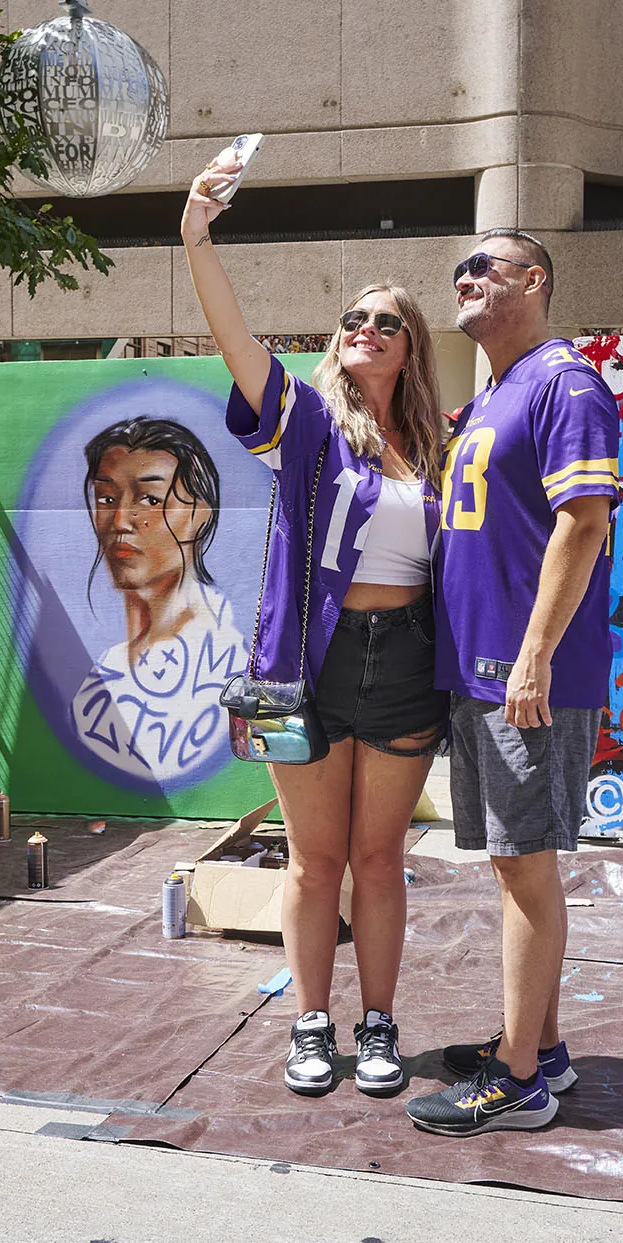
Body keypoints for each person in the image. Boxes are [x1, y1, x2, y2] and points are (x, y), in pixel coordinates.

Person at [181, 150, 446, 1099]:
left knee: (379, 859)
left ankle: (378, 1025)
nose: (369, 329)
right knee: (315, 858)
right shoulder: (306, 420)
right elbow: (235, 340)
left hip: (407, 658)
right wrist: (195, 237)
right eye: (355, 319)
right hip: (309, 663)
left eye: (388, 322)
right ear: (336, 341)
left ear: (410, 346)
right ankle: (309, 1024)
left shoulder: (439, 445)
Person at [404, 230, 618, 1137]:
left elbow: (583, 521)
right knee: (508, 861)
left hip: (521, 676)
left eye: (483, 266)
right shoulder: (495, 391)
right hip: (479, 672)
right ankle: (542, 1046)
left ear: (534, 281)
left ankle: (520, 1079)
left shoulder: (565, 381)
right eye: (457, 268)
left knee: (524, 866)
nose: (463, 278)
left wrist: (532, 655)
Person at [69, 416, 244, 786]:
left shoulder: (227, 660)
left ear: (199, 514)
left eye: (150, 499)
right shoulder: (104, 676)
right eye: (106, 498)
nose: (120, 520)